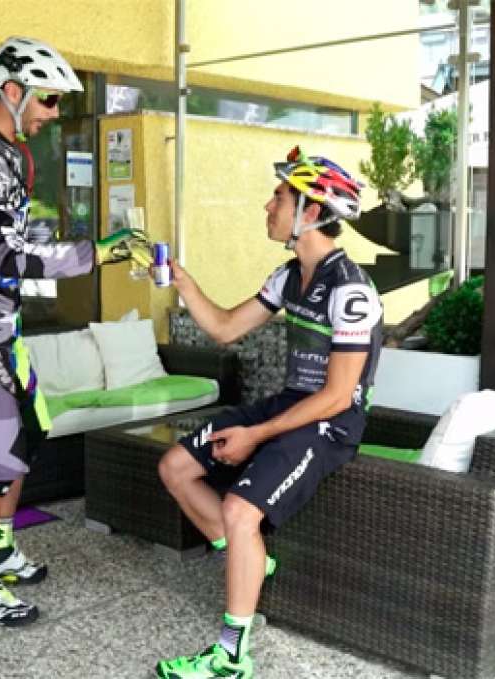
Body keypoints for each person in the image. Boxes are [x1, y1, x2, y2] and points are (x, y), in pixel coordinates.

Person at [0, 36, 150, 627]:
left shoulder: (3, 156)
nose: (54, 115)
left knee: (24, 437)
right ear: (13, 91)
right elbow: (4, 256)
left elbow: (10, 248)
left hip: (0, 325)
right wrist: (95, 253)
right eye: (49, 101)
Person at [154, 147, 382, 678]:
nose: (268, 205)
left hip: (329, 422)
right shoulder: (287, 276)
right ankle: (250, 557)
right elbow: (227, 328)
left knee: (238, 511)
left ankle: (231, 657)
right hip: (290, 404)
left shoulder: (351, 291)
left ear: (310, 211)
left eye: (279, 197)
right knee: (175, 467)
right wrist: (183, 284)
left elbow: (339, 396)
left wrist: (255, 435)